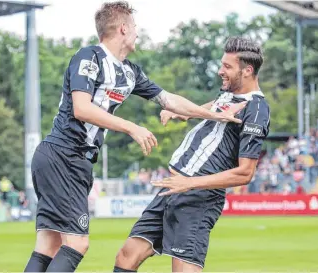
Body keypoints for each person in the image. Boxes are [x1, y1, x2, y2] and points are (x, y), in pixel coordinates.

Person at [23, 2, 245, 272]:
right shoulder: (89, 57)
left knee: (48, 244)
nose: (138, 33)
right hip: (63, 155)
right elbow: (81, 108)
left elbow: (169, 100)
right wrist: (132, 127)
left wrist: (212, 114)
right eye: (136, 28)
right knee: (77, 243)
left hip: (73, 161)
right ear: (123, 29)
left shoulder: (130, 72)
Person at [113, 36, 270, 272]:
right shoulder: (229, 94)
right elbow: (215, 106)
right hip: (173, 187)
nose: (220, 71)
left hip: (200, 197)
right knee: (126, 257)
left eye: (227, 67)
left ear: (247, 70)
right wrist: (183, 113)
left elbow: (246, 173)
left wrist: (190, 183)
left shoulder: (257, 110)